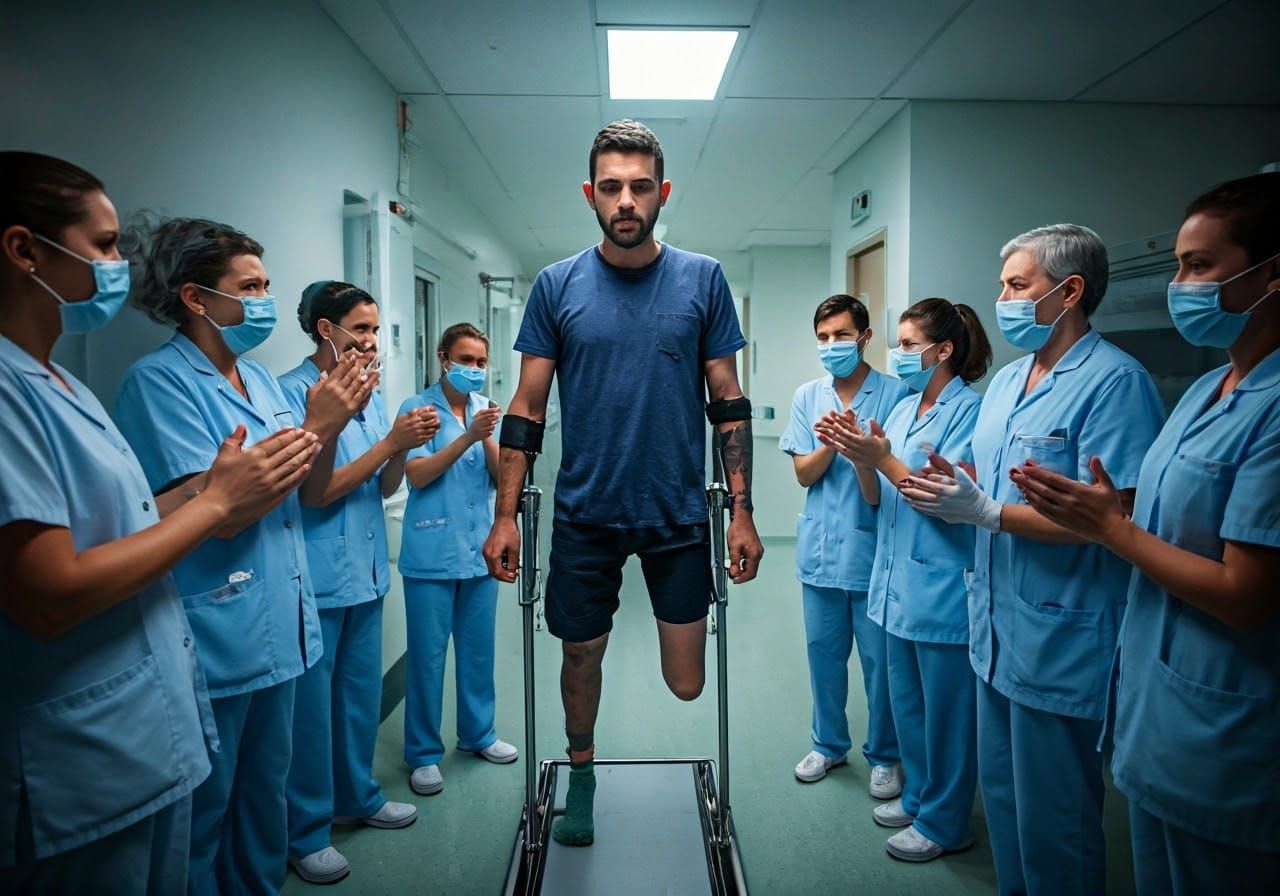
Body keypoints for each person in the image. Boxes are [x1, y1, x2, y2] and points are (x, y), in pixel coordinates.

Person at [0, 152, 317, 893]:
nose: (120, 265)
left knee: (247, 810)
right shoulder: (90, 387)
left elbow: (143, 514)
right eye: (105, 245)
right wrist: (215, 501)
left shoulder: (57, 382)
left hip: (162, 685)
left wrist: (220, 489)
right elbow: (46, 590)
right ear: (23, 250)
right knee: (195, 840)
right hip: (88, 730)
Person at [481, 119, 764, 848]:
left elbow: (727, 398)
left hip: (675, 514)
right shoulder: (557, 284)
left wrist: (741, 513)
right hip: (586, 513)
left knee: (686, 684)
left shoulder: (702, 279)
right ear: (590, 195)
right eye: (612, 187)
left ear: (662, 192)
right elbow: (526, 407)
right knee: (580, 653)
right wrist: (506, 516)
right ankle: (580, 774)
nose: (626, 200)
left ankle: (605, 746)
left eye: (640, 186)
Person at [1011, 173, 1280, 894]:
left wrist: (1106, 526)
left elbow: (1248, 596)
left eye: (1200, 266)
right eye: (1178, 265)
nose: (1179, 284)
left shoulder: (1273, 409)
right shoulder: (1205, 390)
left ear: (1272, 273)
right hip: (1156, 703)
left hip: (1223, 720)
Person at [113, 218, 373, 895]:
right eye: (249, 287)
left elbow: (308, 490)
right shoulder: (159, 383)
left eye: (266, 285)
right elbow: (218, 514)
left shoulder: (261, 381)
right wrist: (317, 426)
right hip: (218, 630)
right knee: (207, 818)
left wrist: (332, 426)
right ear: (197, 298)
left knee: (266, 803)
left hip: (284, 619)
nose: (263, 300)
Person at [902, 224, 1165, 894]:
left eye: (1018, 285)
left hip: (1060, 635)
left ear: (1070, 291)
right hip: (993, 632)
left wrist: (987, 514)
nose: (1003, 298)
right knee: (1008, 807)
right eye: (1004, 285)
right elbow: (991, 476)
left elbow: (1114, 520)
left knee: (1057, 823)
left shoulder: (1115, 384)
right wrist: (958, 484)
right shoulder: (1010, 379)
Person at [817, 298, 991, 863]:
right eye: (898, 343)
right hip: (893, 582)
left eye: (911, 344)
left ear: (944, 350)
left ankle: (945, 823)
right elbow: (876, 496)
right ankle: (917, 796)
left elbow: (945, 497)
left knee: (946, 716)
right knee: (907, 707)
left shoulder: (972, 411)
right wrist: (861, 457)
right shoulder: (904, 408)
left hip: (940, 586)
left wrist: (883, 460)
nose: (900, 353)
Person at [278, 280, 438, 884]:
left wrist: (402, 446)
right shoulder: (296, 393)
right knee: (312, 713)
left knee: (357, 700)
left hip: (367, 570)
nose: (373, 342)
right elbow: (316, 492)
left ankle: (359, 798)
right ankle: (307, 831)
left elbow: (385, 486)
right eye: (362, 329)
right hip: (320, 574)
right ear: (327, 329)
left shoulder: (368, 395)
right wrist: (392, 444)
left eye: (376, 330)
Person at [779, 294, 908, 795]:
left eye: (841, 335)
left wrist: (861, 451)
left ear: (865, 338)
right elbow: (803, 475)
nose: (831, 345)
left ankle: (885, 756)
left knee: (880, 664)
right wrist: (833, 440)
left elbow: (882, 488)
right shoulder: (808, 396)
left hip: (875, 552)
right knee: (823, 656)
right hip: (820, 554)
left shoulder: (896, 396)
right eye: (824, 338)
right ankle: (828, 745)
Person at [398, 322, 517, 799]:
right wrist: (467, 436)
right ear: (444, 358)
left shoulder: (486, 409)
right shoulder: (417, 408)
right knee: (427, 658)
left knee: (477, 650)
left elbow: (499, 475)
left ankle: (478, 734)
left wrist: (487, 435)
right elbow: (417, 475)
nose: (473, 369)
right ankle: (423, 753)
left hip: (479, 549)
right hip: (431, 552)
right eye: (465, 360)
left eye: (481, 362)